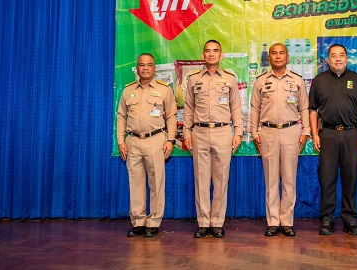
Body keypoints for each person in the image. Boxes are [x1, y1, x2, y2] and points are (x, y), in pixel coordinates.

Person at [309, 44, 357, 236]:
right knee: (327, 177)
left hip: (352, 135)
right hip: (327, 134)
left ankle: (350, 219)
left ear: (347, 58)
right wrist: (315, 134)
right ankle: (327, 219)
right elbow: (312, 110)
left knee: (351, 177)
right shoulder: (319, 81)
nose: (338, 59)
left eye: (341, 55)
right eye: (334, 56)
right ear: (328, 59)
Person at [183, 40, 243, 239]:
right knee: (201, 180)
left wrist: (238, 132)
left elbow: (236, 107)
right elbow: (188, 108)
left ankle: (217, 223)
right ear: (202, 55)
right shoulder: (193, 79)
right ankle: (203, 223)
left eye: (215, 51)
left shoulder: (230, 79)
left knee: (221, 180)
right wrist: (187, 133)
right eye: (207, 51)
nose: (211, 54)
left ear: (221, 55)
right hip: (199, 133)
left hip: (223, 132)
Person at [250, 43, 310, 237]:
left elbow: (304, 108)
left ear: (288, 57)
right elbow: (255, 109)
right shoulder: (261, 81)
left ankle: (287, 222)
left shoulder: (297, 80)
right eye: (274, 53)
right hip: (267, 133)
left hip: (291, 132)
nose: (277, 56)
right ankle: (273, 222)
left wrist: (306, 131)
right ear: (268, 58)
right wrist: (254, 133)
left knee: (289, 180)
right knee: (271, 180)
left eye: (281, 53)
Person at [117, 53, 177, 238]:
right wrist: (120, 141)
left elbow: (172, 116)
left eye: (149, 65)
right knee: (135, 183)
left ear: (154, 68)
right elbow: (121, 116)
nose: (145, 68)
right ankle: (138, 221)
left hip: (156, 139)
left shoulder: (164, 90)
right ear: (137, 68)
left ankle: (154, 221)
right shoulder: (128, 90)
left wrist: (170, 140)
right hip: (133, 141)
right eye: (142, 65)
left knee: (156, 182)